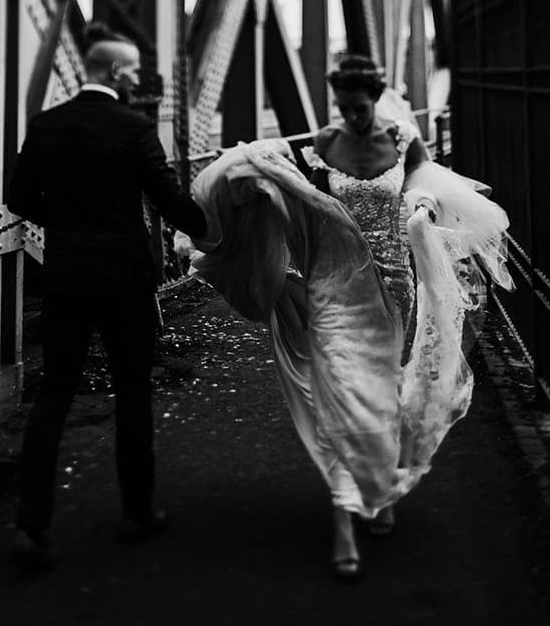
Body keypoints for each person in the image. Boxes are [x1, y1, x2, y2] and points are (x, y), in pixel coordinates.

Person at [182, 53, 511, 582]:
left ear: (375, 98)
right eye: (343, 107)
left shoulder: (405, 139)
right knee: (340, 391)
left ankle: (377, 493)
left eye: (359, 108)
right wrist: (246, 173)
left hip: (394, 283)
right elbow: (285, 183)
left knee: (380, 393)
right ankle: (343, 517)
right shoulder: (321, 144)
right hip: (333, 286)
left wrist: (422, 204)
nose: (351, 117)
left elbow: (424, 181)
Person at [5, 22, 208, 572]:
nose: (139, 79)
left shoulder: (46, 124)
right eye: (133, 70)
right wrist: (213, 229)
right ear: (115, 71)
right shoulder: (133, 126)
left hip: (67, 272)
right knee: (133, 389)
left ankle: (31, 525)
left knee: (54, 394)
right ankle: (136, 513)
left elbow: (18, 196)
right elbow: (169, 199)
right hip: (124, 276)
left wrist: (71, 228)